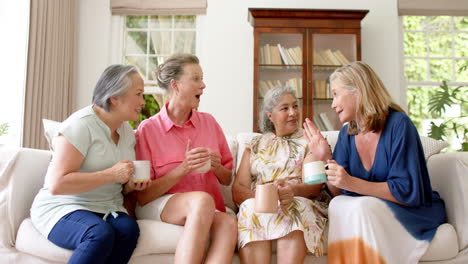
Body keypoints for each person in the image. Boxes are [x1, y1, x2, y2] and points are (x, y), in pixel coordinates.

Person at [303, 61, 447, 264]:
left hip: (412, 212)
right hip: (373, 212)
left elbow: (406, 192)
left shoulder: (399, 125)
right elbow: (339, 192)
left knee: (362, 206)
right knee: (338, 204)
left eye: (336, 94)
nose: (333, 104)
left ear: (358, 91)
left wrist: (352, 183)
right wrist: (326, 157)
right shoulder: (347, 134)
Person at [30, 64, 152, 264]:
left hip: (106, 207)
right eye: (138, 94)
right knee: (99, 234)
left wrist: (130, 185)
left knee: (128, 230)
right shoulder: (80, 125)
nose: (142, 101)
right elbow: (58, 184)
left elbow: (119, 183)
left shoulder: (127, 132)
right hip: (64, 206)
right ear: (115, 98)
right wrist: (111, 175)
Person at [134, 53, 237, 264]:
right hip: (160, 204)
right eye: (196, 79)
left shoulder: (209, 123)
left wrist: (217, 167)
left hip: (205, 207)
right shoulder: (148, 129)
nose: (204, 85)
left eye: (202, 78)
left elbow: (227, 179)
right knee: (201, 200)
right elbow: (144, 195)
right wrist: (184, 168)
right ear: (176, 85)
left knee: (227, 222)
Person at [232, 86, 330, 264]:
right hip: (260, 198)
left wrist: (290, 191)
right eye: (285, 108)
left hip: (298, 198)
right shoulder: (255, 144)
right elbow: (238, 190)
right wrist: (265, 197)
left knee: (293, 206)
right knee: (249, 207)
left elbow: (314, 186)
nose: (293, 113)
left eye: (295, 106)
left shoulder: (309, 141)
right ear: (270, 115)